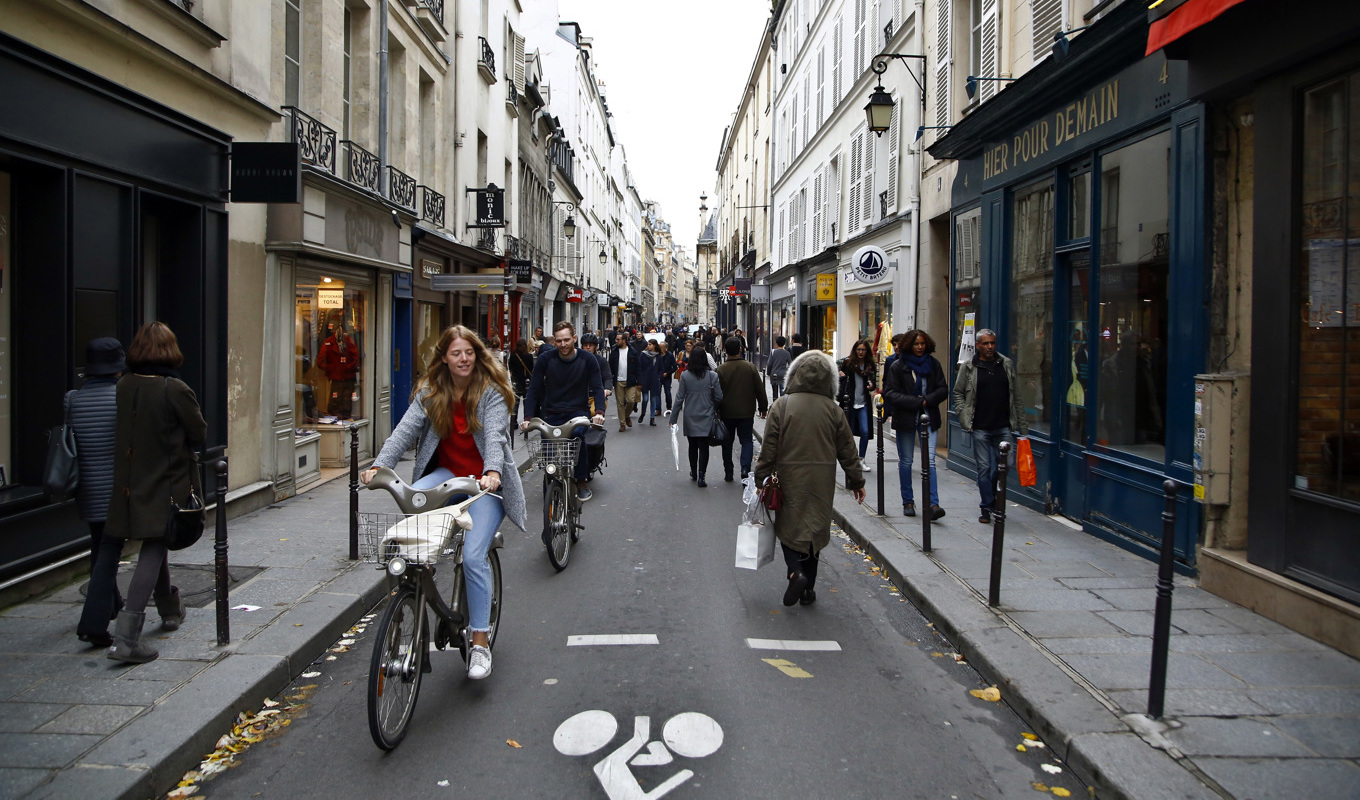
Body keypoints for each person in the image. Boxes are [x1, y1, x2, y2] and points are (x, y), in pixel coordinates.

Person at [364, 325, 525, 680]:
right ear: (444, 358)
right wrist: (380, 465)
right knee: (412, 517)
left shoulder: (491, 391)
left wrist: (493, 471)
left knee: (473, 557)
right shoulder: (431, 390)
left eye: (469, 352)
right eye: (456, 353)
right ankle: (420, 586)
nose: (464, 359)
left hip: (483, 485)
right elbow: (404, 431)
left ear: (477, 355)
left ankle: (480, 642)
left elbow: (495, 436)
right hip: (448, 474)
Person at [102, 322, 206, 663]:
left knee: (155, 540)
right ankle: (126, 639)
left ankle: (169, 609)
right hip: (166, 482)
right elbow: (199, 432)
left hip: (132, 482)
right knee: (154, 545)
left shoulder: (124, 384)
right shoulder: (173, 388)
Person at [754, 351, 866, 607]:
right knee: (814, 530)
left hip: (789, 477)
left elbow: (769, 448)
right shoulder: (834, 410)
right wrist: (856, 481)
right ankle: (808, 589)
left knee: (788, 528)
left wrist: (761, 478)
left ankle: (796, 572)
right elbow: (847, 449)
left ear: (795, 375)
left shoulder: (782, 405)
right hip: (822, 478)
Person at [73, 338, 129, 648]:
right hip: (114, 489)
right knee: (110, 550)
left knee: (99, 544)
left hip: (86, 488)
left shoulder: (72, 399)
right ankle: (92, 624)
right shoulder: (122, 398)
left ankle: (112, 604)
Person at [522, 322, 607, 502]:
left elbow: (598, 388)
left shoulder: (587, 359)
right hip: (552, 413)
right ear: (555, 341)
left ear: (574, 338)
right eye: (559, 341)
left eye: (567, 340)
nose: (563, 344)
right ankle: (550, 487)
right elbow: (534, 389)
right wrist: (527, 417)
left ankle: (582, 479)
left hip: (578, 412)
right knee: (548, 448)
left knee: (577, 437)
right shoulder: (546, 359)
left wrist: (599, 412)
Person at [952, 328, 1028, 523]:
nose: (990, 347)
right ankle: (986, 506)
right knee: (984, 467)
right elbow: (958, 392)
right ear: (978, 345)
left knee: (1006, 465)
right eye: (986, 343)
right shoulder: (969, 367)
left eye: (992, 343)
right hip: (980, 426)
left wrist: (1023, 428)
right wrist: (962, 413)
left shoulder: (1006, 364)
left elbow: (1016, 396)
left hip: (1003, 425)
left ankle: (992, 497)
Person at [883, 330, 948, 520]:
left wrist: (927, 400)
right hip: (906, 417)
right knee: (906, 461)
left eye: (922, 344)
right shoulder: (898, 366)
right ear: (909, 345)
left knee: (930, 461)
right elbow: (890, 393)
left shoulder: (933, 364)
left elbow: (943, 389)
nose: (920, 347)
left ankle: (933, 504)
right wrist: (917, 402)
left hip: (929, 417)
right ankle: (908, 501)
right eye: (916, 344)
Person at [717, 336, 768, 481]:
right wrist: (763, 408)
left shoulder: (720, 370)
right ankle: (745, 468)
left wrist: (715, 409)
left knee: (727, 442)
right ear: (740, 349)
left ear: (725, 351)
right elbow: (760, 389)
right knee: (746, 441)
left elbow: (716, 393)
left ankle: (728, 471)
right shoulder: (750, 367)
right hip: (746, 412)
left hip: (726, 412)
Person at [670, 343, 722, 487]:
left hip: (690, 415)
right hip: (707, 414)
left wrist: (673, 418)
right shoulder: (712, 376)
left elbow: (679, 398)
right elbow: (719, 396)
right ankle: (701, 476)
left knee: (692, 445)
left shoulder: (685, 376)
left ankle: (693, 471)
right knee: (704, 447)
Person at [837, 338, 878, 470]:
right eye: (859, 349)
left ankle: (861, 459)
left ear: (867, 351)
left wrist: (871, 385)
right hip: (849, 402)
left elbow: (873, 382)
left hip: (863, 403)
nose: (861, 352)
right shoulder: (848, 363)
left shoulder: (870, 365)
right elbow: (837, 368)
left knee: (865, 431)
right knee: (848, 433)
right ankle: (851, 458)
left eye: (863, 350)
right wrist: (840, 374)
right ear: (855, 350)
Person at [317, 318, 360, 419]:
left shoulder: (348, 341)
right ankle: (337, 417)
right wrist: (333, 369)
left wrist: (345, 368)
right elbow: (320, 361)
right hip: (338, 377)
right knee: (337, 401)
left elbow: (356, 359)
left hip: (346, 377)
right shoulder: (330, 342)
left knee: (345, 400)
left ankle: (342, 417)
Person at [608, 332, 640, 432]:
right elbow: (610, 367)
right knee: (620, 403)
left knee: (631, 401)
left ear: (624, 341)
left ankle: (626, 416)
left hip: (630, 380)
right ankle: (622, 424)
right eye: (616, 339)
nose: (616, 341)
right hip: (618, 381)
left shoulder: (632, 351)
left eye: (618, 339)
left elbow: (638, 367)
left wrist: (639, 381)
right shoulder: (614, 352)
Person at [580, 332, 613, 418]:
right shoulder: (578, 361)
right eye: (585, 345)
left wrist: (607, 388)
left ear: (596, 347)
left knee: (593, 414)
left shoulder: (601, 361)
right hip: (579, 397)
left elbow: (607, 377)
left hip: (596, 397)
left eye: (590, 345)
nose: (588, 347)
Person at [508, 338, 535, 437]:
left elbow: (510, 368)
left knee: (515, 403)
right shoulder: (529, 356)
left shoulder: (513, 356)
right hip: (526, 381)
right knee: (526, 403)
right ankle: (526, 421)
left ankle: (514, 422)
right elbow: (531, 368)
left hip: (516, 381)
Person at [636, 339, 663, 426]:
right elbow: (639, 367)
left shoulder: (658, 356)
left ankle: (652, 418)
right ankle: (643, 413)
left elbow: (661, 368)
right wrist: (639, 380)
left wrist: (658, 377)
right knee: (645, 399)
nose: (648, 346)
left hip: (654, 381)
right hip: (645, 380)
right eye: (648, 344)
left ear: (654, 345)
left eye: (650, 344)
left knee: (653, 400)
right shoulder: (643, 355)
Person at [766, 336, 792, 401]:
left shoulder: (773, 352)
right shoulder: (787, 353)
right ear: (784, 344)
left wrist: (768, 373)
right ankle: (781, 404)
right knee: (782, 392)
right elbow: (790, 364)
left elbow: (769, 364)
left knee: (774, 393)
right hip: (783, 375)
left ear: (777, 343)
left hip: (774, 374)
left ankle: (775, 404)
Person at [657, 340, 676, 415]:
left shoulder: (670, 355)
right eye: (659, 347)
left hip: (667, 377)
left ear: (666, 348)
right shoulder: (657, 355)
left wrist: (667, 373)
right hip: (658, 377)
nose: (660, 348)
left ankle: (669, 408)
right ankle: (658, 409)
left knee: (667, 392)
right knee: (657, 393)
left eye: (662, 347)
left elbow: (674, 367)